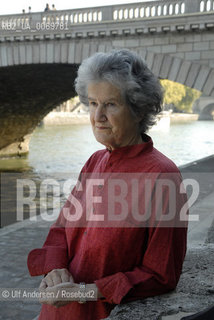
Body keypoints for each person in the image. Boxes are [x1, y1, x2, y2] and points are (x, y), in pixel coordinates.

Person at [27, 49, 188, 320]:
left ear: (138, 110)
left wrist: (86, 291)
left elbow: (161, 275)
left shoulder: (163, 177)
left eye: (110, 105)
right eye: (92, 103)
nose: (97, 116)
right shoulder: (94, 162)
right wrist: (54, 270)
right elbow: (61, 230)